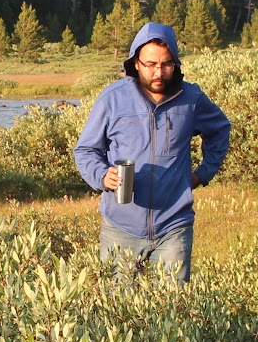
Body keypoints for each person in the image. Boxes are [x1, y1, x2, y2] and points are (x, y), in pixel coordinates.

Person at [73, 21, 231, 282]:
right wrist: (102, 176)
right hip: (120, 226)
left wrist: (203, 173)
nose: (158, 72)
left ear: (176, 63)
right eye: (150, 64)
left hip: (174, 224)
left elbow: (220, 129)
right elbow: (86, 150)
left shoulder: (191, 98)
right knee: (117, 311)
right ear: (136, 63)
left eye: (166, 64)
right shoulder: (113, 98)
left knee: (171, 309)